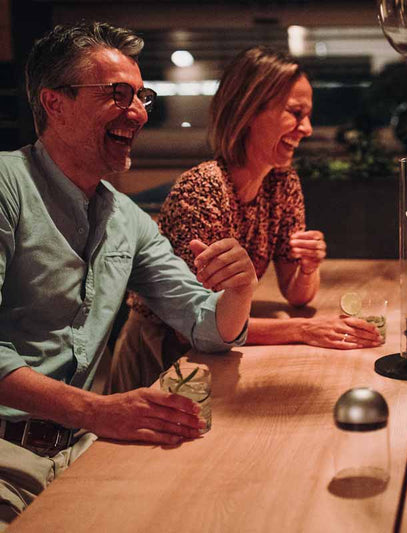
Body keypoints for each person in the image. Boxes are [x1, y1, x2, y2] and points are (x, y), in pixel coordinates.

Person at [0, 22, 258, 527]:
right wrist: (98, 411)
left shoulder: (127, 218)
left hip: (85, 451)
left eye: (143, 96)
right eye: (118, 95)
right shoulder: (8, 186)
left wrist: (239, 288)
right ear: (55, 103)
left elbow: (205, 324)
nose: (138, 113)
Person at [106, 46, 382, 393]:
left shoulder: (282, 181)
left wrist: (309, 267)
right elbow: (196, 323)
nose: (307, 129)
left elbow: (297, 295)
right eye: (296, 113)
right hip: (163, 354)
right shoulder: (204, 188)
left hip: (215, 351)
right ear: (249, 112)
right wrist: (302, 331)